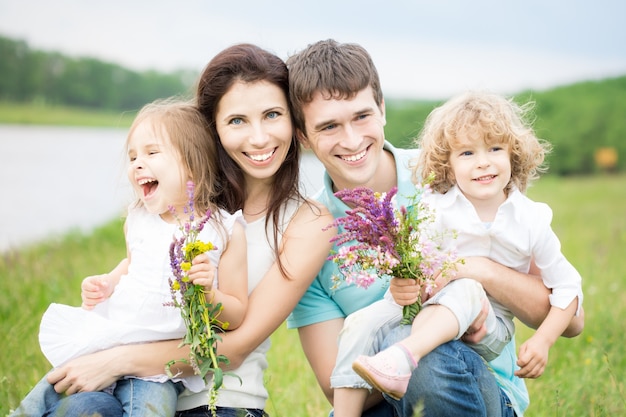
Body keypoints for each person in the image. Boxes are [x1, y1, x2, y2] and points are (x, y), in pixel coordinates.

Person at [285, 39, 585, 417]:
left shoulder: (453, 173)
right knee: (401, 339)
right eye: (329, 126)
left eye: (361, 116)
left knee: (426, 356)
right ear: (303, 137)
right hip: (380, 403)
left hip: (476, 386)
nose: (351, 139)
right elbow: (338, 386)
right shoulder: (307, 235)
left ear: (382, 109)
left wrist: (478, 271)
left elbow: (573, 319)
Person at [32, 44, 336, 417]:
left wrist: (114, 361)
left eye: (272, 115)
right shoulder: (181, 198)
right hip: (123, 388)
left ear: (293, 121)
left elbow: (234, 348)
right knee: (81, 410)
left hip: (220, 405)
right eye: (237, 120)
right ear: (212, 129)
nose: (258, 138)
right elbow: (140, 275)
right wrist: (105, 290)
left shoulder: (308, 222)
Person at [10, 98, 249, 417]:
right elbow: (133, 267)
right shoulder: (138, 219)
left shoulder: (223, 230)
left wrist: (209, 294)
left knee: (151, 410)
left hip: (158, 365)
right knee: (50, 391)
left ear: (192, 163)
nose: (137, 163)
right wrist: (107, 282)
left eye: (151, 153)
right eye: (133, 156)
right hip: (108, 341)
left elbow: (237, 314)